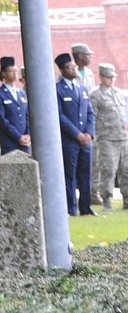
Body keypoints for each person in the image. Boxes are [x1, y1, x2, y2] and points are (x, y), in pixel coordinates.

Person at [55, 50, 95, 217]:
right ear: (62, 70)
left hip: (85, 141)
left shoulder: (82, 88)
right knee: (70, 176)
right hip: (70, 141)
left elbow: (90, 113)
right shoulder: (57, 89)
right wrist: (77, 134)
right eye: (69, 67)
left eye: (73, 66)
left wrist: (89, 134)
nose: (73, 70)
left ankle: (86, 208)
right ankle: (71, 209)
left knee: (86, 175)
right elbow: (60, 116)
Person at [90, 62, 126, 210]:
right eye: (108, 77)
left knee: (126, 169)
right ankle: (106, 199)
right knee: (109, 169)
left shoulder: (119, 94)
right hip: (106, 138)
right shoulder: (96, 96)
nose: (111, 80)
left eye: (113, 77)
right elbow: (93, 117)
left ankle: (127, 199)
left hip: (123, 136)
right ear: (101, 77)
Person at [0, 55, 30, 156]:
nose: (15, 73)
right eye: (11, 71)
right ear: (4, 74)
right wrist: (18, 137)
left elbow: (27, 116)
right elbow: (2, 119)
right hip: (9, 141)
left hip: (24, 141)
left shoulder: (21, 93)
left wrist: (28, 134)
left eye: (16, 71)